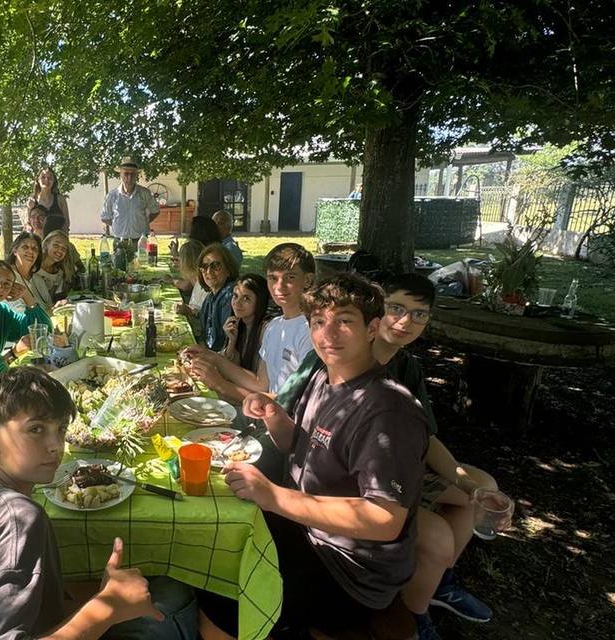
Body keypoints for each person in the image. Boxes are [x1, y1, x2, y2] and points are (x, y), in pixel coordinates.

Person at [199, 274, 427, 638]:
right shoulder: (325, 376)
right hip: (305, 532)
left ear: (372, 328)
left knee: (219, 595)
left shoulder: (388, 412)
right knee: (210, 548)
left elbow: (385, 519)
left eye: (344, 321)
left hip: (349, 572)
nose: (328, 334)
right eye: (319, 322)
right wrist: (274, 416)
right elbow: (296, 445)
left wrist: (273, 496)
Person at [275, 273, 498, 640]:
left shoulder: (403, 373)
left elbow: (421, 438)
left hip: (384, 476)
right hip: (359, 479)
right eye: (397, 308)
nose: (405, 321)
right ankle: (421, 600)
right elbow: (291, 422)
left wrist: (466, 483)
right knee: (438, 535)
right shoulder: (327, 363)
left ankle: (431, 590)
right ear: (379, 317)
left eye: (419, 314)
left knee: (482, 490)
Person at [0, 367, 197, 640]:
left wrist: (101, 596)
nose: (56, 444)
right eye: (36, 429)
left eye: (61, 429)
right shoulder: (19, 518)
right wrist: (107, 608)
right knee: (177, 597)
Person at [184, 243, 314, 403]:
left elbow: (289, 403)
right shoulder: (274, 326)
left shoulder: (312, 331)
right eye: (273, 278)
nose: (279, 286)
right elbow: (260, 385)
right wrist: (211, 356)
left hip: (281, 422)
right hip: (264, 416)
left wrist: (220, 385)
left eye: (290, 277)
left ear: (307, 280)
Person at [0, 260, 51, 387]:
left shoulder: (0, 311)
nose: (0, 287)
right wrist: (13, 354)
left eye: (7, 284)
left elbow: (42, 331)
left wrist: (27, 296)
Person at [220, 274, 271, 375]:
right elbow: (232, 367)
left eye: (246, 298)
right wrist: (232, 342)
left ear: (260, 301)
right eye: (235, 296)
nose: (237, 303)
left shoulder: (265, 330)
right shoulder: (240, 324)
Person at [101, 157, 160, 240]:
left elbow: (155, 211)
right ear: (120, 175)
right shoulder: (112, 195)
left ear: (136, 175)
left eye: (132, 174)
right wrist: (117, 224)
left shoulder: (145, 193)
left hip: (141, 240)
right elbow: (105, 217)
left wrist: (143, 222)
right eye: (126, 174)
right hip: (119, 241)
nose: (129, 177)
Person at [196, 243, 239, 351]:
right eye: (204, 267)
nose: (208, 272)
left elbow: (223, 343)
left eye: (215, 266)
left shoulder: (230, 297)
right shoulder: (210, 297)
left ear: (228, 269)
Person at [5, 231, 51, 313]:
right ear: (15, 251)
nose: (30, 251)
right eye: (25, 247)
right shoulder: (7, 277)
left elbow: (49, 306)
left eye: (34, 249)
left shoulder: (38, 279)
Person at [42, 214, 84, 289]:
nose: (68, 230)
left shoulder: (58, 272)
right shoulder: (34, 267)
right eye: (56, 245)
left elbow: (52, 298)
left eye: (64, 248)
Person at [25, 165, 70, 231]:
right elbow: (28, 224)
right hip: (39, 239)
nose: (46, 180)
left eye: (50, 178)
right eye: (43, 177)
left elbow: (66, 223)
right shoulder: (32, 201)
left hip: (56, 239)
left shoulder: (60, 199)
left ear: (54, 181)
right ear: (38, 180)